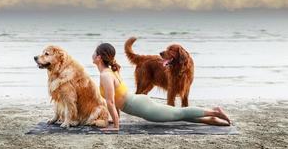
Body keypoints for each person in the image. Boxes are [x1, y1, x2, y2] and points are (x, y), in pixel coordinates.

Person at [92, 43, 231, 131]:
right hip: (139, 102)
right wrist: (115, 119)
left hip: (143, 108)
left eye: (94, 53)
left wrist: (116, 126)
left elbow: (110, 101)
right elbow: (116, 99)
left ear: (99, 57)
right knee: (176, 116)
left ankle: (214, 111)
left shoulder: (105, 75)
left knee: (178, 113)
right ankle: (210, 119)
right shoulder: (111, 72)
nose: (92, 55)